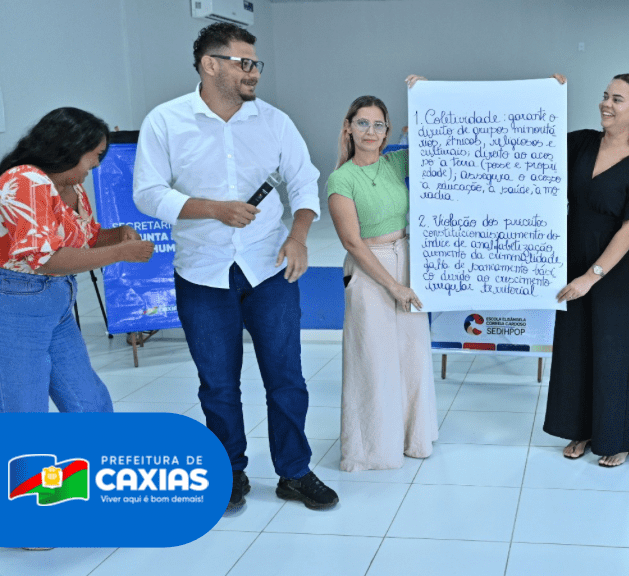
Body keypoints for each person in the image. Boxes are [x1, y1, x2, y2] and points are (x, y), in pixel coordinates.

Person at [133, 23, 337, 511]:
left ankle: (294, 471)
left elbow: (304, 182)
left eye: (255, 64)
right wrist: (213, 209)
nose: (254, 73)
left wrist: (298, 237)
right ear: (210, 64)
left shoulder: (274, 121)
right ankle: (229, 472)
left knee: (286, 378)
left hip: (269, 267)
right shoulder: (165, 121)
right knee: (218, 383)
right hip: (202, 273)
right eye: (243, 63)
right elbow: (148, 193)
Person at [544, 73, 629, 468]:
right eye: (605, 96)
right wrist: (546, 95)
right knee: (575, 345)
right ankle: (580, 429)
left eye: (617, 99)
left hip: (615, 268)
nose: (606, 104)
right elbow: (533, 141)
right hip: (573, 256)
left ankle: (616, 438)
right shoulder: (582, 143)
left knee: (613, 350)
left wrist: (591, 276)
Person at [0, 107, 154, 413]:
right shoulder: (26, 180)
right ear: (70, 148)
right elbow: (46, 259)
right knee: (25, 411)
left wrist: (118, 235)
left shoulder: (72, 186)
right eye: (95, 155)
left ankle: (91, 447)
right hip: (17, 305)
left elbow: (86, 237)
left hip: (57, 304)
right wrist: (121, 253)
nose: (97, 164)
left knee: (91, 403)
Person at [327, 87, 437, 472]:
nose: (370, 132)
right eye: (362, 123)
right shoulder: (341, 180)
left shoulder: (394, 163)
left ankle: (414, 439)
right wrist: (393, 286)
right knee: (373, 360)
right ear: (348, 128)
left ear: (388, 131)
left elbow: (440, 142)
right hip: (370, 269)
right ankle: (373, 450)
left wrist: (424, 93)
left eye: (378, 125)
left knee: (412, 354)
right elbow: (352, 243)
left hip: (406, 259)